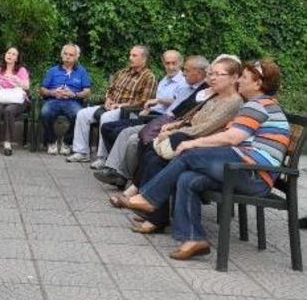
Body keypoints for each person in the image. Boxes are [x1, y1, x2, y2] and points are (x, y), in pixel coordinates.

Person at [126, 59, 290, 260]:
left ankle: (149, 198)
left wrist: (194, 143)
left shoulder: (258, 105)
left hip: (253, 175)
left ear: (258, 84)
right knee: (187, 178)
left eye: (244, 77)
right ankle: (194, 239)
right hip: (246, 170)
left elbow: (232, 137)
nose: (239, 80)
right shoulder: (258, 104)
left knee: (189, 154)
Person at [95, 55, 209, 188]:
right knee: (122, 131)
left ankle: (124, 176)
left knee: (132, 138)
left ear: (199, 73)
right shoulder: (183, 86)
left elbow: (185, 117)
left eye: (186, 70)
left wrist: (166, 120)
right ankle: (115, 170)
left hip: (167, 123)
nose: (183, 73)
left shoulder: (202, 92)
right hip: (159, 118)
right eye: (167, 63)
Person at [66, 45, 155, 164]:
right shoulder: (123, 72)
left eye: (134, 55)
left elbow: (145, 101)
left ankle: (103, 157)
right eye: (130, 55)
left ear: (144, 59)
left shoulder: (148, 76)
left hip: (127, 110)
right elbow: (110, 89)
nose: (130, 58)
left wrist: (122, 105)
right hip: (109, 106)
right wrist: (107, 99)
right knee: (82, 114)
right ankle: (81, 152)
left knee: (106, 117)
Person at [38, 44, 92, 155]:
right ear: (62, 55)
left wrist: (74, 94)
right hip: (53, 100)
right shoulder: (52, 71)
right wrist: (52, 92)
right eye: (65, 54)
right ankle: (51, 141)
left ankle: (67, 142)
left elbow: (87, 91)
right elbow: (42, 89)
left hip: (72, 101)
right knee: (45, 112)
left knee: (79, 114)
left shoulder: (82, 72)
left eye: (71, 55)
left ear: (76, 57)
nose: (67, 57)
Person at [0, 46, 30, 156]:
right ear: (5, 55)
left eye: (14, 54)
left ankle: (7, 142)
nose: (10, 55)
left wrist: (16, 80)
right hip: (3, 100)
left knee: (9, 110)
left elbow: (27, 87)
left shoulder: (21, 70)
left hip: (18, 101)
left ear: (17, 59)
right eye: (9, 53)